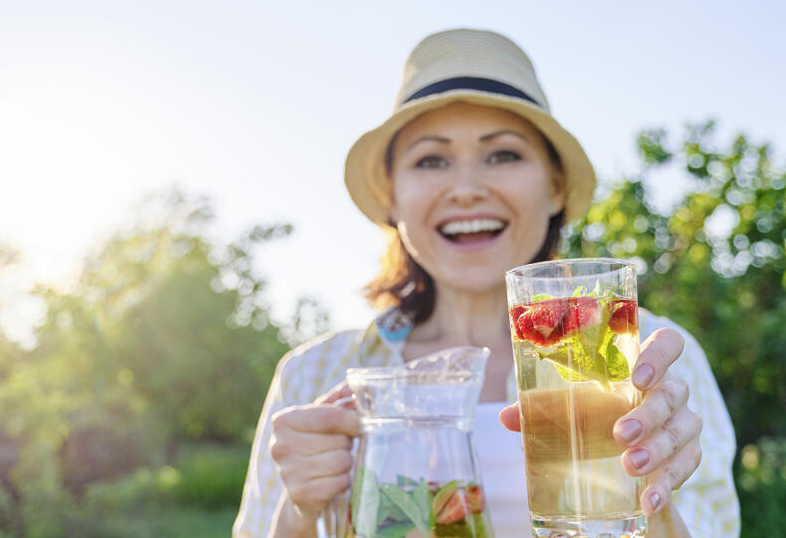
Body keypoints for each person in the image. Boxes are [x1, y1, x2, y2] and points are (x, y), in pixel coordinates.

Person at [234, 28, 740, 538]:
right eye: (431, 160)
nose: (467, 190)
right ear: (392, 196)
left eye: (503, 155)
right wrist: (298, 515)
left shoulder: (652, 363)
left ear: (555, 186)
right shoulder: (313, 374)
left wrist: (654, 503)